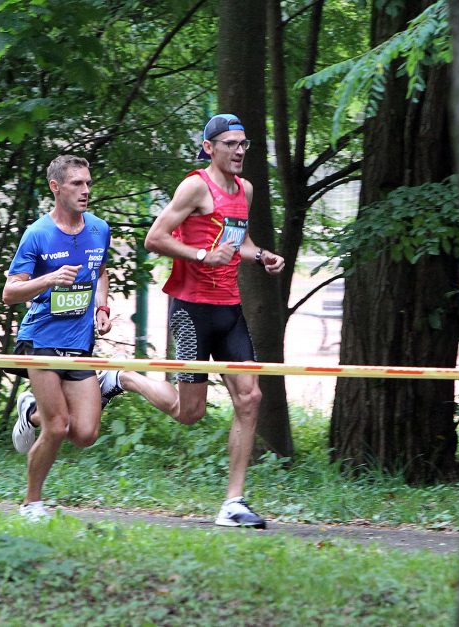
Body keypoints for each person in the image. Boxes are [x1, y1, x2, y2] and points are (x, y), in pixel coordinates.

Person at [143, 113, 285, 529]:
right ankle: (123, 378)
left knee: (251, 397)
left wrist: (262, 256)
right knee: (191, 413)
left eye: (244, 144)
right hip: (190, 310)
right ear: (210, 148)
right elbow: (155, 238)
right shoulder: (194, 186)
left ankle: (233, 503)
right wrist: (203, 255)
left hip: (228, 308)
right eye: (230, 144)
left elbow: (238, 242)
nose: (239, 151)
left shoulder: (246, 190)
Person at [2, 155, 117, 520]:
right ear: (56, 187)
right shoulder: (37, 234)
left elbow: (100, 272)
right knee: (58, 426)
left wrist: (102, 307)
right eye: (76, 184)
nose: (85, 191)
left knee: (84, 433)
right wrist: (49, 280)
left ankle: (30, 409)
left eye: (88, 183)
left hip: (79, 341)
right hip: (41, 339)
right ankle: (31, 503)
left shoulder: (99, 228)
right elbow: (10, 292)